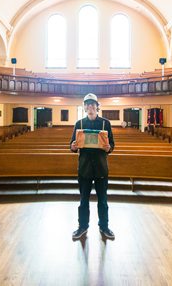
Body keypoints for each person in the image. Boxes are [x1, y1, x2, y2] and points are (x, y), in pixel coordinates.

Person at [70, 93, 115, 240]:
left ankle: (104, 227)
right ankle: (82, 227)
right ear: (84, 107)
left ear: (97, 106)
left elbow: (112, 145)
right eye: (87, 104)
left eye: (93, 104)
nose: (90, 106)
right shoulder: (79, 124)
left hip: (101, 168)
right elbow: (72, 146)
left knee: (103, 201)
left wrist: (109, 147)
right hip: (84, 169)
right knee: (83, 201)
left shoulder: (105, 124)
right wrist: (73, 146)